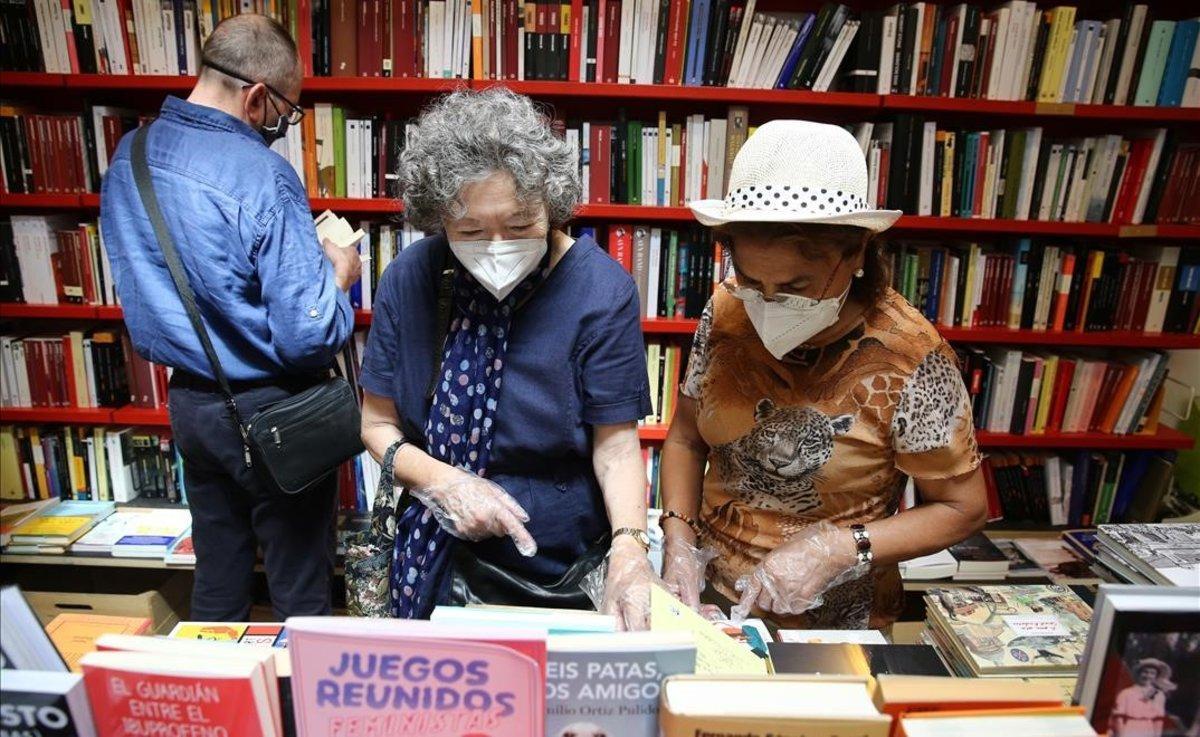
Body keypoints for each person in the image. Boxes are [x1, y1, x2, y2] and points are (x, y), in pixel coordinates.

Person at [658, 120, 988, 629]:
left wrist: (839, 548)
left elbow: (962, 509)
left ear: (856, 253)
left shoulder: (913, 357)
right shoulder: (725, 310)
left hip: (835, 613)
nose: (768, 303)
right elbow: (684, 439)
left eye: (797, 285)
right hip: (709, 595)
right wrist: (678, 537)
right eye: (751, 279)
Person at [359, 87, 655, 630]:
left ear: (552, 204)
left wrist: (630, 549)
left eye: (521, 226)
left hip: (560, 566)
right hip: (437, 558)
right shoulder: (410, 278)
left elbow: (616, 448)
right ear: (439, 222)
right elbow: (377, 424)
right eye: (470, 231)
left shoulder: (599, 289)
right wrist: (444, 484)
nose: (497, 245)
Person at [99, 15, 361, 620]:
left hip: (191, 405)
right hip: (275, 412)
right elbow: (307, 338)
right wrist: (339, 275)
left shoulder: (130, 153)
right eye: (287, 113)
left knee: (217, 577)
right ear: (257, 96)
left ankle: (218, 709)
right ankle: (298, 711)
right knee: (301, 590)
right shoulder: (262, 173)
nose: (281, 128)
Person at [1111, 658, 1176, 737]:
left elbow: (1158, 720)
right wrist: (1120, 735)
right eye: (1145, 672)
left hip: (1149, 730)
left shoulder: (1159, 695)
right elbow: (1118, 718)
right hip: (1129, 729)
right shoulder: (1126, 693)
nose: (1148, 676)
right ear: (1139, 673)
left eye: (1152, 673)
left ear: (1156, 676)